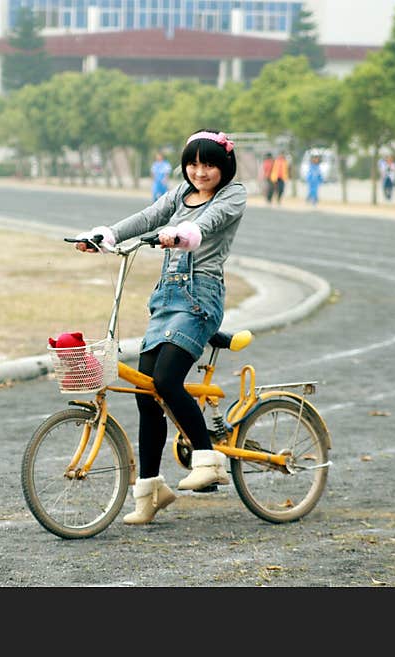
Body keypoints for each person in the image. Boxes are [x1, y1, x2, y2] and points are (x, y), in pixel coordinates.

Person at [74, 128, 246, 525]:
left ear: (224, 166)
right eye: (193, 163)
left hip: (200, 298)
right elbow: (150, 216)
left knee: (167, 381)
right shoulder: (177, 195)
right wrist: (107, 234)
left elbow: (210, 221)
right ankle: (150, 491)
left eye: (209, 164)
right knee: (145, 393)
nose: (200, 172)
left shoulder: (232, 195)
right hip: (166, 299)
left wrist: (184, 233)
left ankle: (208, 459)